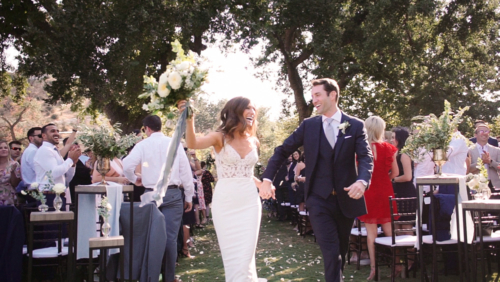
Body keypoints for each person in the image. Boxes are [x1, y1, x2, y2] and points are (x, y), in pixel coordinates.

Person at [261, 78, 373, 282]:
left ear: (333, 95)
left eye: (317, 95)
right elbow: (282, 150)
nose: (314, 100)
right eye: (312, 96)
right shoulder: (309, 126)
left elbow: (366, 157)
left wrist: (362, 181)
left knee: (341, 250)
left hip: (346, 199)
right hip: (317, 199)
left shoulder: (355, 125)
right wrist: (267, 179)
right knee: (330, 252)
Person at [179, 96, 267, 282]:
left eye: (253, 108)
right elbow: (193, 143)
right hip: (226, 202)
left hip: (250, 202)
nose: (252, 111)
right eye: (247, 108)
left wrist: (261, 183)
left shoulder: (254, 141)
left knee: (246, 256)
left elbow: (245, 171)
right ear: (236, 111)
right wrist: (189, 118)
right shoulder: (220, 137)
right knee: (232, 258)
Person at [122, 115, 194, 282]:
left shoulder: (142, 145)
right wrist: (189, 196)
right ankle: (169, 278)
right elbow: (185, 172)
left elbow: (127, 165)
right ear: (160, 126)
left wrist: (134, 179)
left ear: (147, 128)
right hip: (173, 194)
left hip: (150, 194)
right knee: (169, 238)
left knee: (149, 237)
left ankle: (150, 276)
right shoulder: (174, 143)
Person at [357, 116, 399, 280]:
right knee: (390, 231)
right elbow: (395, 173)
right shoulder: (389, 148)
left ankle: (374, 269)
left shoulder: (361, 149)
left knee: (371, 235)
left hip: (368, 192)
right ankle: (398, 263)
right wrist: (384, 180)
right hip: (385, 190)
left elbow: (357, 172)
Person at [33, 124, 80, 207]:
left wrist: (73, 164)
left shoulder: (55, 151)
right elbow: (54, 173)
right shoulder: (44, 150)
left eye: (57, 131)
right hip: (48, 197)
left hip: (59, 196)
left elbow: (66, 178)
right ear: (44, 135)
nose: (57, 133)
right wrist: (70, 160)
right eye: (52, 131)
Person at [469, 123, 500, 189]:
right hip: (476, 185)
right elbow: (467, 169)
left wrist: (491, 162)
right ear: (475, 135)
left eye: (486, 131)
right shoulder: (469, 150)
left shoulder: (496, 150)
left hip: (494, 184)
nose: (484, 133)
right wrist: (481, 162)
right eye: (481, 131)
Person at [20, 127, 43, 191]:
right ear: (31, 138)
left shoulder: (32, 150)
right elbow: (39, 170)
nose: (43, 138)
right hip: (36, 189)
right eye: (40, 136)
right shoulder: (33, 151)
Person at [0, 140, 21, 205]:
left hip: (9, 198)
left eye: (5, 148)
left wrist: (12, 173)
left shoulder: (14, 164)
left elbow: (15, 184)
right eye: (0, 148)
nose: (3, 149)